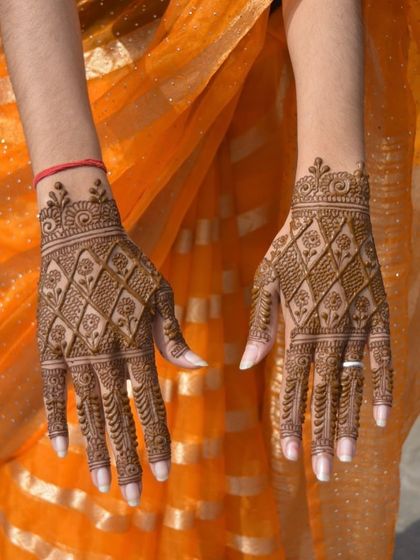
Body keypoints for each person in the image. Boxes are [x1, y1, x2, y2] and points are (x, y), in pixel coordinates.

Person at [0, 0, 417, 558]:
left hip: (252, 99)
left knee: (261, 414)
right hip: (73, 105)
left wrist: (332, 191)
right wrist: (75, 213)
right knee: (86, 412)